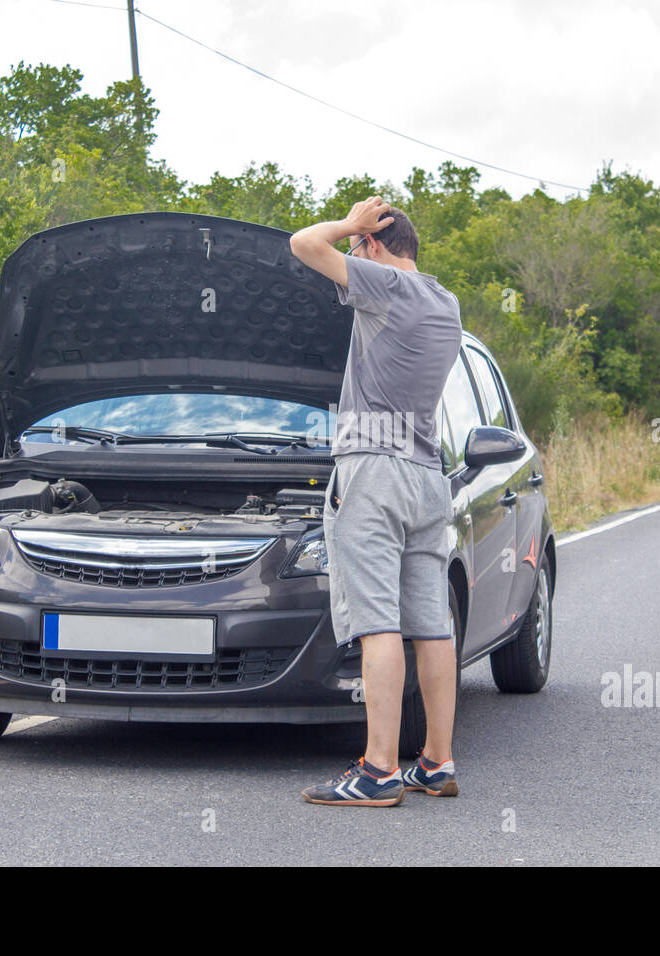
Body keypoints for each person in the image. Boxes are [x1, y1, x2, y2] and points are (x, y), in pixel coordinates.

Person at [289, 197, 463, 807]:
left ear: (375, 247)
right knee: (430, 626)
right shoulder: (446, 301)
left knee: (376, 623)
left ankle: (379, 770)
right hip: (425, 475)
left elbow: (305, 245)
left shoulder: (385, 284)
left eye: (362, 244)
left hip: (373, 470)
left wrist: (349, 226)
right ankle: (436, 762)